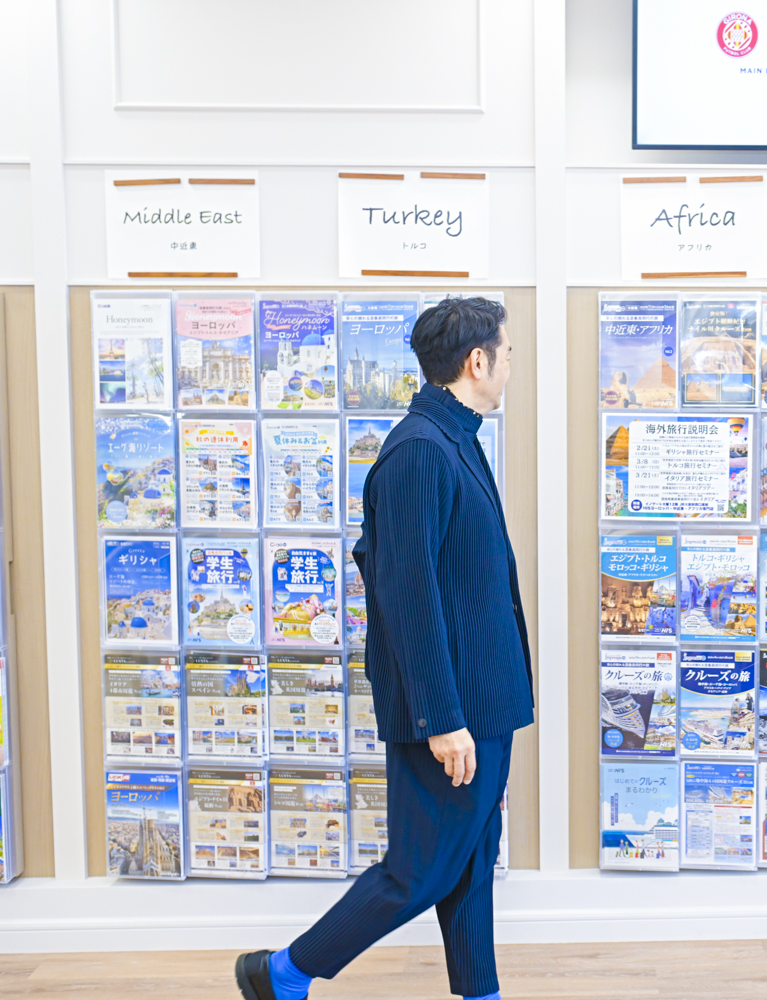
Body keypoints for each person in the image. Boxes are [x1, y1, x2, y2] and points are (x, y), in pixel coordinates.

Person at [235, 297, 533, 1000]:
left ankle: (480, 992)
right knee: (419, 870)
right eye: (508, 354)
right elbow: (408, 597)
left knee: (471, 859)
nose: (510, 367)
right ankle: (284, 971)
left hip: (483, 697)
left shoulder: (455, 437)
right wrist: (442, 718)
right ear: (478, 360)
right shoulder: (419, 451)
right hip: (452, 707)